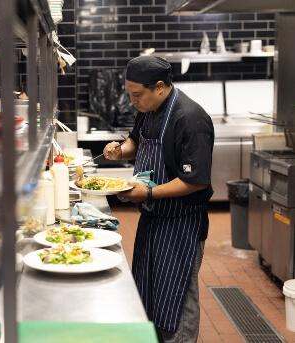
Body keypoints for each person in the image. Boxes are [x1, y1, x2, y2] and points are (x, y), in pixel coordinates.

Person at [103, 55, 214, 343]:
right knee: (152, 292)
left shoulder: (190, 119)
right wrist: (120, 151)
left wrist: (148, 192)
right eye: (129, 94)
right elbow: (136, 141)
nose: (132, 101)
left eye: (136, 94)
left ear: (160, 87)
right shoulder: (149, 109)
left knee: (178, 297)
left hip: (182, 224)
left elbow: (196, 181)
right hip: (153, 219)